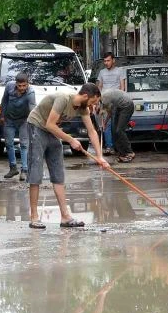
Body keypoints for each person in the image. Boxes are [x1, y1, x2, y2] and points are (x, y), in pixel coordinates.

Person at [27, 83, 109, 229]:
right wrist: (70, 140)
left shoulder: (83, 108)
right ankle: (34, 217)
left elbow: (92, 131)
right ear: (85, 96)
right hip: (37, 127)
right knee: (36, 172)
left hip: (52, 131)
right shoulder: (63, 99)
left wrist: (100, 156)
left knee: (58, 173)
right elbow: (50, 124)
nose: (92, 106)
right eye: (92, 102)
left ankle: (65, 217)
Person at [0, 72, 35, 181]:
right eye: (20, 86)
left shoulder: (30, 93)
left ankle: (24, 169)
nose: (22, 88)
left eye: (24, 85)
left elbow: (32, 109)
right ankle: (13, 168)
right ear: (16, 84)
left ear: (27, 84)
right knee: (9, 143)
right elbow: (4, 101)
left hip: (23, 120)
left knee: (24, 144)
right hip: (9, 119)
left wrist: (33, 122)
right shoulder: (9, 86)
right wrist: (2, 115)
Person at [95, 52, 125, 155]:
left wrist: (120, 99)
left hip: (116, 100)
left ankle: (118, 146)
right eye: (105, 61)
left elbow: (122, 87)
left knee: (115, 125)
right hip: (105, 102)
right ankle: (109, 146)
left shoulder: (120, 71)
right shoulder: (102, 72)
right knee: (106, 124)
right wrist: (98, 102)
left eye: (108, 60)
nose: (106, 63)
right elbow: (99, 87)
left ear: (113, 60)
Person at [97, 89, 135, 163]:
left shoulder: (104, 98)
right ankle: (122, 154)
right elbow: (110, 112)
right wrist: (105, 123)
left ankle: (129, 152)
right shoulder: (102, 99)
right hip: (119, 108)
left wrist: (101, 110)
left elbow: (110, 112)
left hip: (126, 106)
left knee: (119, 130)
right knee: (114, 131)